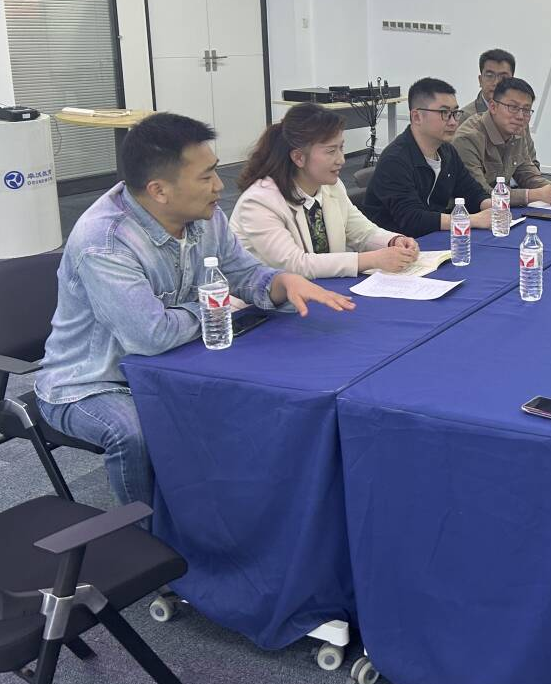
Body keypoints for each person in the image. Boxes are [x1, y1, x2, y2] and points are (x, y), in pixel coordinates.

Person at [34, 113, 355, 509]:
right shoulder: (105, 244)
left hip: (176, 359)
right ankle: (143, 529)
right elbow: (150, 336)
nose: (220, 185)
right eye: (206, 177)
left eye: (215, 171)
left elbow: (243, 274)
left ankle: (235, 511)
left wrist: (281, 283)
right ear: (159, 190)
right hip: (91, 381)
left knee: (265, 392)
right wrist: (214, 304)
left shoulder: (206, 216)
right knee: (133, 431)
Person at [231, 103, 420, 278]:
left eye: (341, 148)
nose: (341, 159)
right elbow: (294, 264)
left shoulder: (331, 186)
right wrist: (371, 259)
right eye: (331, 151)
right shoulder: (259, 201)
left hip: (320, 289)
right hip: (264, 301)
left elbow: (361, 231)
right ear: (298, 157)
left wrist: (393, 241)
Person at [362, 77, 493, 238]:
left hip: (433, 236)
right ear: (417, 117)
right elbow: (412, 219)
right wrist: (473, 220)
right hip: (396, 244)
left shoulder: (447, 151)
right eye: (444, 113)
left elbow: (471, 192)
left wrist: (492, 207)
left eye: (455, 113)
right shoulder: (395, 160)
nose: (453, 122)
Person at [451, 76, 551, 207]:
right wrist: (533, 195)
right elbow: (479, 193)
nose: (520, 116)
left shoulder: (517, 132)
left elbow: (527, 174)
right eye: (513, 107)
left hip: (502, 211)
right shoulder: (468, 138)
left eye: (526, 110)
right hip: (467, 213)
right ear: (493, 107)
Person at [460, 47, 517, 121]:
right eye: (490, 76)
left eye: (503, 78)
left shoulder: (519, 114)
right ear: (480, 80)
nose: (496, 83)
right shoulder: (466, 117)